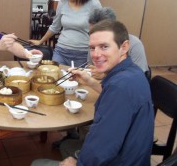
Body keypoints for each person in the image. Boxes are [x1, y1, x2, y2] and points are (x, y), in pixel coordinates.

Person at [31, 20, 154, 166]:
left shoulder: (120, 87)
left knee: (37, 163)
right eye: (92, 48)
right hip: (130, 153)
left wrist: (77, 164)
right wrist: (89, 81)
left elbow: (103, 147)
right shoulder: (132, 73)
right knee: (67, 146)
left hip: (121, 161)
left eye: (104, 47)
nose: (96, 55)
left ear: (124, 47)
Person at [29, 0, 101, 67]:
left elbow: (100, 30)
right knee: (56, 77)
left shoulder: (94, 4)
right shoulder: (63, 2)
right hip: (61, 52)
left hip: (82, 54)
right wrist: (40, 41)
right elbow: (55, 27)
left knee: (77, 79)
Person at [87, 7, 149, 79]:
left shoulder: (135, 44)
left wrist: (105, 75)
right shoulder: (94, 44)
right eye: (91, 33)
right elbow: (91, 67)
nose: (96, 54)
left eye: (104, 46)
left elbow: (138, 76)